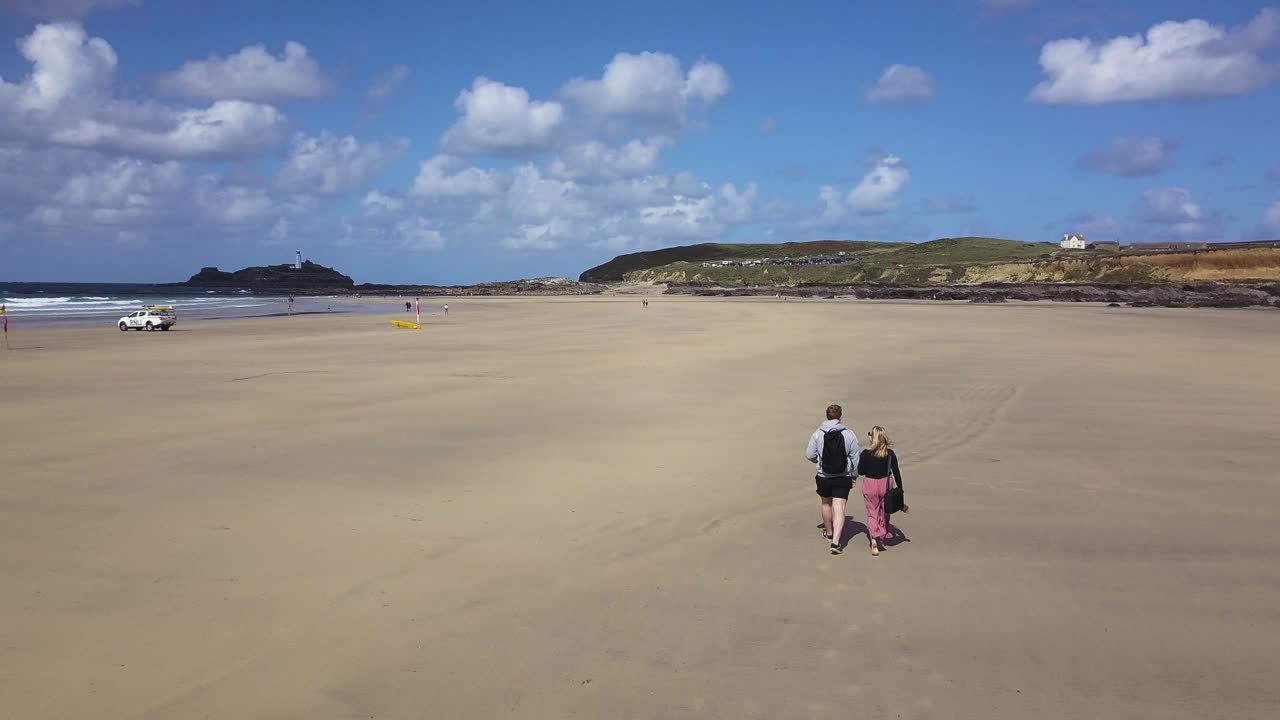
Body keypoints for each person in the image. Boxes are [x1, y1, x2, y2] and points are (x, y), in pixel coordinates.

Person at [805, 404, 860, 554]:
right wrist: (854, 475)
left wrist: (819, 462)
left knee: (826, 504)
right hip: (843, 476)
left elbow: (809, 454)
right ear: (840, 416)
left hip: (823, 476)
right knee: (839, 507)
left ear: (827, 416)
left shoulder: (818, 433)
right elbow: (855, 458)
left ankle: (829, 533)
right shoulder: (849, 434)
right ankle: (836, 542)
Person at [857, 426, 902, 557]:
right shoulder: (890, 453)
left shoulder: (865, 454)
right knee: (884, 512)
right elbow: (896, 472)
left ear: (872, 437)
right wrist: (900, 489)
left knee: (872, 513)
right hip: (886, 484)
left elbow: (861, 471)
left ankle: (874, 540)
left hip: (870, 484)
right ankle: (881, 539)